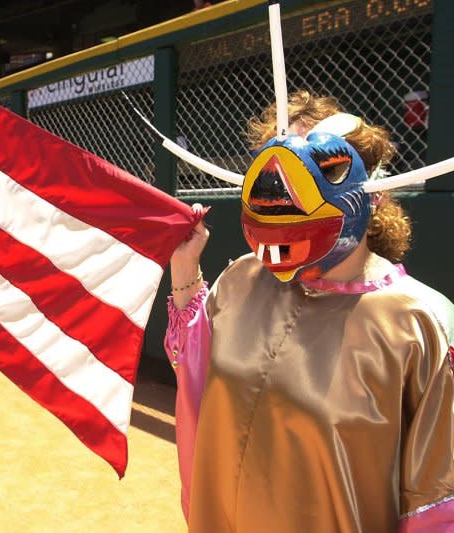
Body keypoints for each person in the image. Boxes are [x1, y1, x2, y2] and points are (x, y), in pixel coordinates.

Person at [166, 91, 454, 531]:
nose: (283, 190)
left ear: (371, 192)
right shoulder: (243, 279)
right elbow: (196, 376)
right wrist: (185, 268)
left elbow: (435, 500)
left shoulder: (420, 324)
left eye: (318, 169)